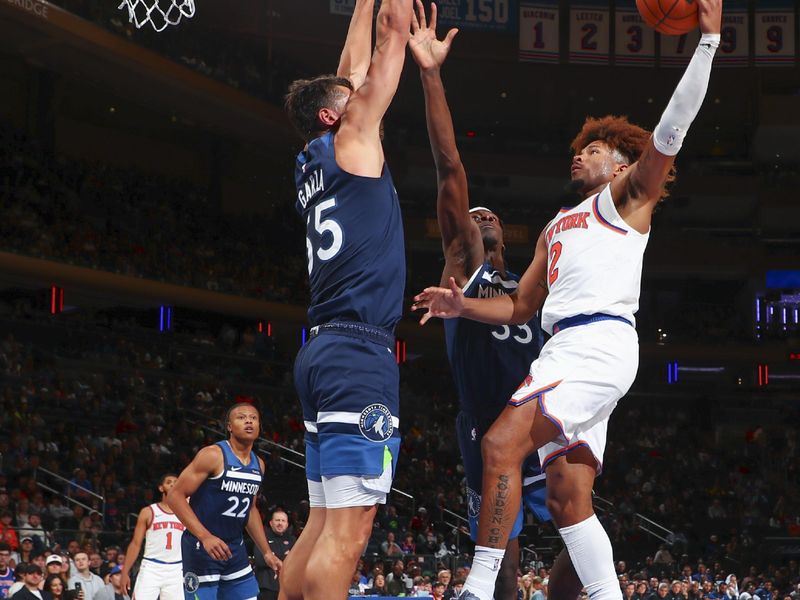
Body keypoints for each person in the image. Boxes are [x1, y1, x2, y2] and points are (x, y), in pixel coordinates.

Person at [412, 2, 723, 599]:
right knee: (566, 498)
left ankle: (476, 592)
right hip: (565, 347)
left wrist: (707, 42)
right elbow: (521, 307)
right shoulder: (558, 227)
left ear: (624, 164)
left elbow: (672, 126)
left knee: (500, 443)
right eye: (581, 149)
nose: (581, 154)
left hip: (598, 341)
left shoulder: (628, 199)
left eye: (597, 148)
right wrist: (460, 307)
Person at [407, 4, 582, 600]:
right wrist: (431, 74)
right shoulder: (467, 268)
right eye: (472, 216)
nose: (479, 215)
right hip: (486, 422)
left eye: (489, 215)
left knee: (586, 547)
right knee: (500, 565)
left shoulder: (535, 283)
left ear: (505, 233)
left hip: (542, 419)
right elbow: (450, 166)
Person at [281, 0, 412, 598]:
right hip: (358, 354)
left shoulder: (317, 156)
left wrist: (362, 4)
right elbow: (386, 50)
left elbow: (353, 68)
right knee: (349, 533)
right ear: (337, 113)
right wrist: (396, 21)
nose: (363, 94)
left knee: (320, 522)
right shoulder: (354, 137)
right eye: (352, 96)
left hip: (325, 350)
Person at [167, 403, 281, 600]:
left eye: (253, 418)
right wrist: (205, 537)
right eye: (241, 417)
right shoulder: (213, 455)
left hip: (234, 548)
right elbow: (175, 496)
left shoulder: (259, 464)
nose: (248, 421)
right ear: (229, 426)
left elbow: (250, 509)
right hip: (201, 547)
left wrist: (267, 552)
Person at [120, 474, 183, 600]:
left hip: (176, 569)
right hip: (151, 567)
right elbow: (135, 543)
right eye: (169, 482)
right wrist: (125, 572)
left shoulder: (185, 512)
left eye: (176, 482)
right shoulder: (148, 511)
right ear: (161, 488)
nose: (172, 484)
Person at [253, 509, 295, 600]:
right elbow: (260, 560)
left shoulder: (293, 540)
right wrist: (285, 555)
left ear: (287, 524)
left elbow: (296, 562)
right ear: (271, 523)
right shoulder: (262, 539)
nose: (280, 523)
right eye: (277, 520)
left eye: (283, 521)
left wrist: (273, 555)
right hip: (265, 588)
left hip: (286, 588)